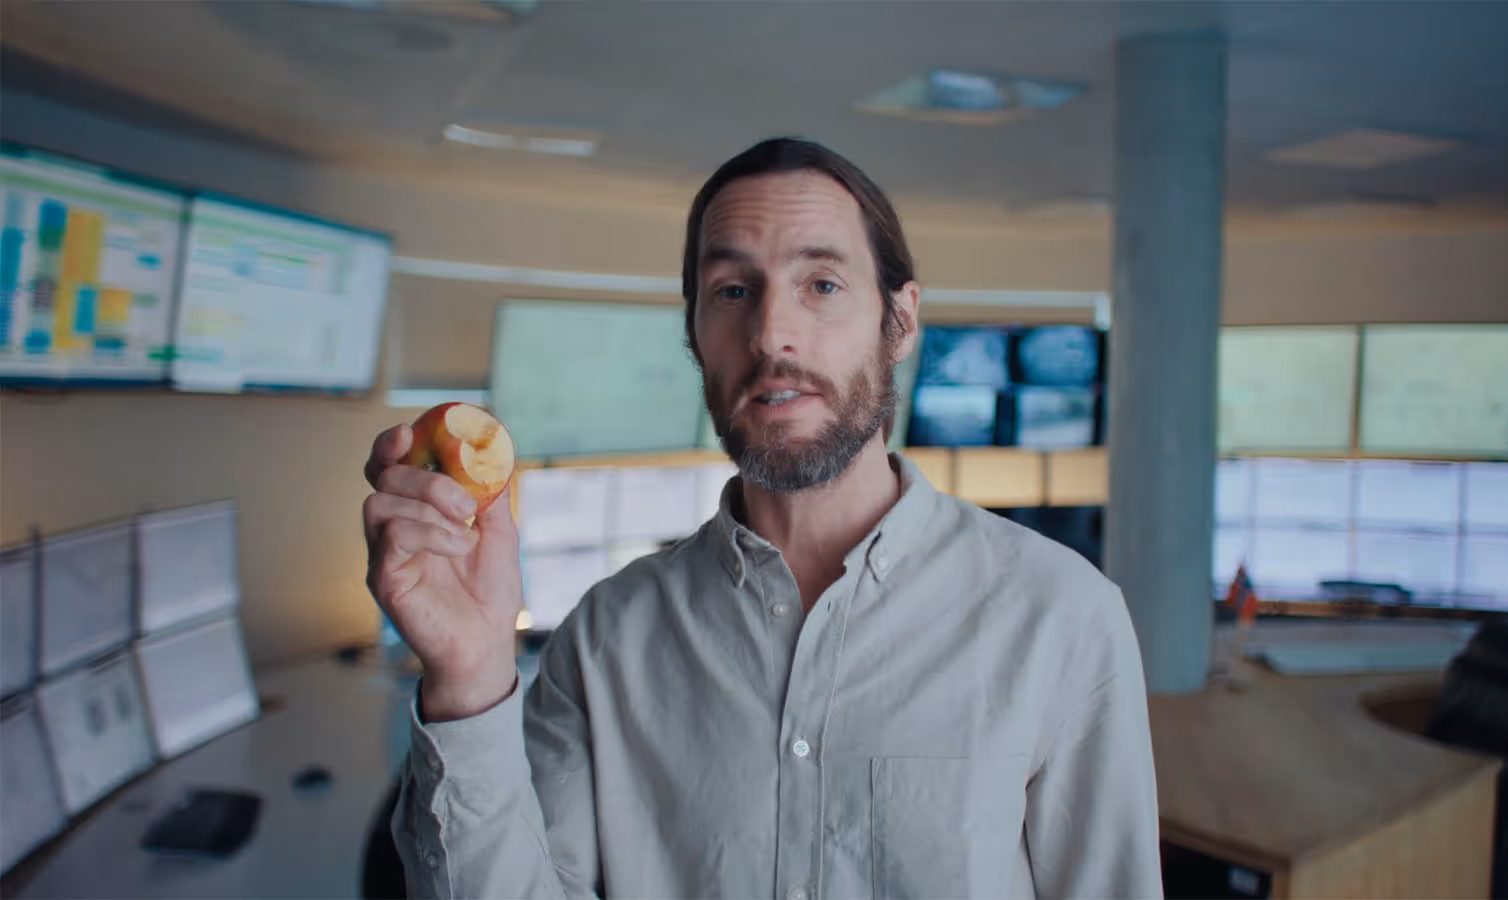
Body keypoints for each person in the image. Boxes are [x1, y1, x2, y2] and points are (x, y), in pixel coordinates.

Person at [362, 138, 1161, 899]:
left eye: (822, 284)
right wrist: (467, 675)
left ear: (902, 320)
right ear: (695, 334)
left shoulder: (1063, 617)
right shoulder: (608, 637)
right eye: (733, 291)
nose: (771, 333)